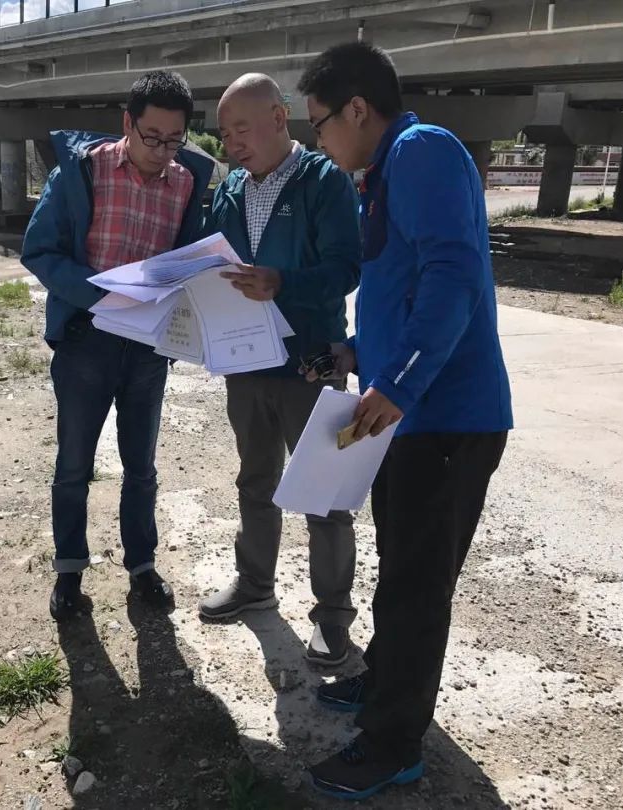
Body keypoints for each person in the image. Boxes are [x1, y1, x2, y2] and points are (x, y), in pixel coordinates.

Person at [297, 42, 514, 800]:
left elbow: (454, 274)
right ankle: (385, 676)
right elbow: (405, 295)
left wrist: (400, 382)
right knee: (400, 568)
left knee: (418, 587)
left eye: (319, 123)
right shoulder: (385, 174)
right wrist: (354, 354)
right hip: (406, 414)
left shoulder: (424, 151)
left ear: (358, 109)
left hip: (447, 418)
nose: (318, 140)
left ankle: (393, 746)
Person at [22, 70, 214, 621]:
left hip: (148, 350)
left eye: (174, 140)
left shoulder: (187, 183)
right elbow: (40, 251)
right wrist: (100, 295)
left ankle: (142, 567)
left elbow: (189, 261)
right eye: (152, 137)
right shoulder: (82, 172)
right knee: (73, 466)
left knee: (142, 468)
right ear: (127, 123)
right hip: (87, 342)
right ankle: (69, 572)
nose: (162, 152)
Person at [199, 73, 362, 667]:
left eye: (242, 129)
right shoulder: (230, 191)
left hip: (310, 367)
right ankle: (255, 585)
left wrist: (282, 283)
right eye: (225, 134)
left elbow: (347, 269)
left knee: (325, 497)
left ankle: (332, 617)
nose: (232, 143)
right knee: (255, 481)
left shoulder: (323, 181)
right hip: (246, 365)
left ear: (278, 117)